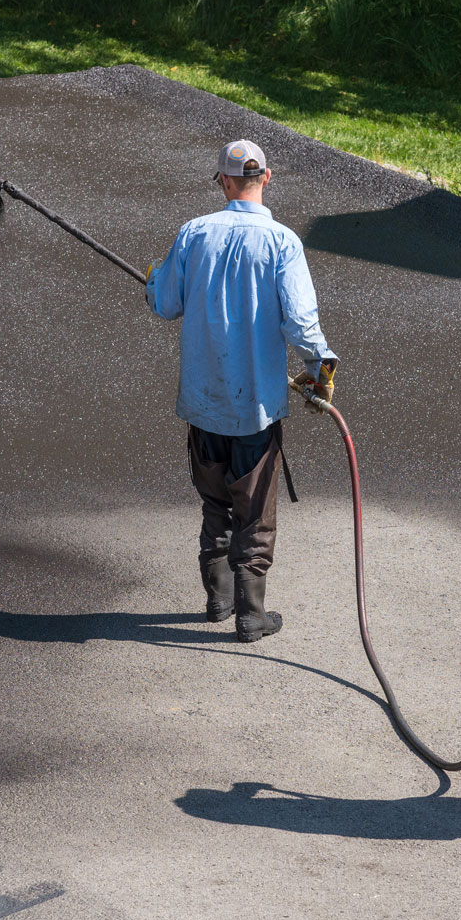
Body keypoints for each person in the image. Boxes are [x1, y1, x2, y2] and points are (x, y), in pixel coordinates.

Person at [146, 140, 339, 644]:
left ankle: (218, 599)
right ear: (266, 178)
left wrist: (153, 281)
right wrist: (320, 368)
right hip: (255, 408)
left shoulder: (194, 233)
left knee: (215, 504)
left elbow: (165, 303)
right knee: (253, 512)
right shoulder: (282, 243)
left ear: (224, 182)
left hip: (204, 405)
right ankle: (251, 615)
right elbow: (299, 322)